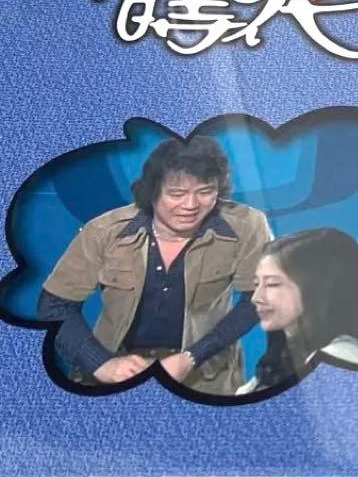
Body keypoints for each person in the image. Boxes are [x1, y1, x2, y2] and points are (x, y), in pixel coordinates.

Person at [38, 135, 271, 395]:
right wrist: (100, 364)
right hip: (113, 368)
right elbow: (54, 305)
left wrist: (193, 356)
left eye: (206, 192)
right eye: (176, 193)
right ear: (151, 192)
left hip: (205, 374)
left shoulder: (248, 225)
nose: (191, 205)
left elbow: (258, 298)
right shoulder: (103, 231)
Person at [237, 228, 358, 394]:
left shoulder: (340, 357)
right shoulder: (283, 355)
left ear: (317, 289)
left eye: (272, 284)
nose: (256, 298)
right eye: (256, 284)